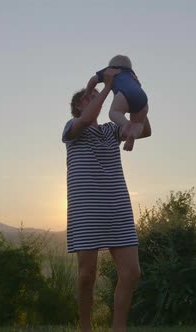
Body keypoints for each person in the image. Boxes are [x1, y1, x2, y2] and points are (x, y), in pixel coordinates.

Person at [62, 68, 151, 332]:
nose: (99, 99)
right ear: (80, 104)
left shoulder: (112, 131)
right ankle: (85, 328)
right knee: (87, 275)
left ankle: (118, 328)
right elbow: (88, 117)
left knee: (132, 272)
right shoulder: (71, 130)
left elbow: (144, 129)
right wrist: (105, 88)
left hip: (118, 209)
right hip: (86, 211)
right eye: (92, 97)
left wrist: (137, 97)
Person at [84, 55, 149, 151]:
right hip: (142, 96)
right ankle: (133, 134)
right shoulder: (131, 74)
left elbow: (93, 80)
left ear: (111, 65)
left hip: (124, 94)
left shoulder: (110, 71)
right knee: (139, 123)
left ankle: (126, 124)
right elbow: (145, 130)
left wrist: (87, 92)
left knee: (114, 112)